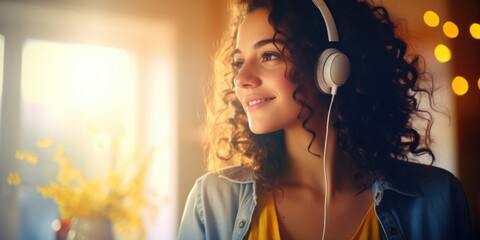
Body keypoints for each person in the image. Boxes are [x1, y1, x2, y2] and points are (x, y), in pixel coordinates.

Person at [178, 0, 474, 239]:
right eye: (239, 62)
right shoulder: (212, 201)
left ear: (332, 68)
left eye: (269, 55)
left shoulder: (438, 200)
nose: (240, 78)